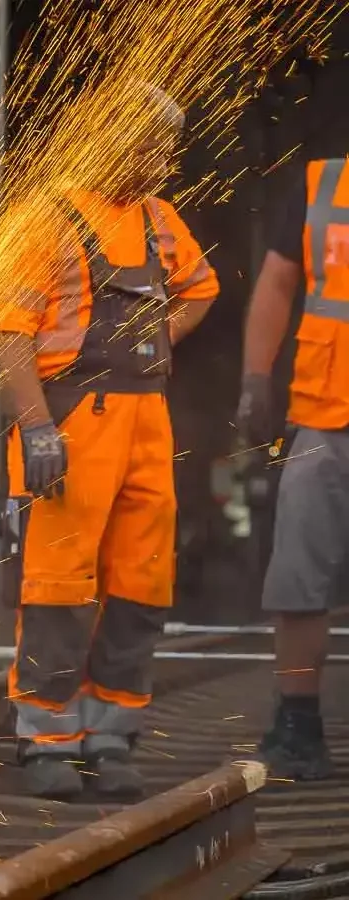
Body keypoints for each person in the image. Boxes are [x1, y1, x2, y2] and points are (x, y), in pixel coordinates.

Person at [0, 84, 219, 800]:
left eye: (167, 147)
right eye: (151, 145)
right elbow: (7, 335)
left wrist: (158, 341)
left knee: (140, 581)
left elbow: (202, 288)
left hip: (146, 420)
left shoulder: (158, 219)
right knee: (58, 585)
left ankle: (110, 732)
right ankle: (47, 738)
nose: (163, 160)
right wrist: (35, 429)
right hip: (70, 423)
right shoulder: (45, 219)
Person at [238, 155, 349, 781]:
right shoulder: (322, 185)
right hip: (324, 413)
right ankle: (298, 726)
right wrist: (257, 378)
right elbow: (279, 283)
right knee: (298, 575)